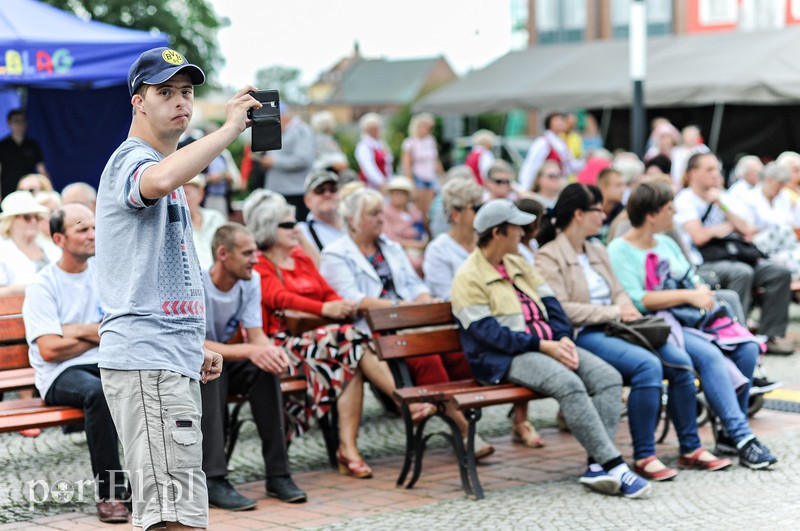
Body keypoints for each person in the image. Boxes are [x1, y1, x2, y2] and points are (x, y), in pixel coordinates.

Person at [95, 47, 246, 530]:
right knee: (172, 517)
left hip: (163, 354)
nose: (181, 102)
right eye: (165, 92)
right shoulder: (135, 161)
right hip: (147, 359)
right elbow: (156, 180)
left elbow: (151, 277)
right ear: (138, 101)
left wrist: (190, 342)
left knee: (175, 509)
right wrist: (227, 132)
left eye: (186, 92)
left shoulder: (168, 166)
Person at [450, 198, 651, 498]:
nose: (525, 233)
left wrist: (563, 337)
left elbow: (552, 304)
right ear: (497, 233)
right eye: (518, 228)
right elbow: (489, 335)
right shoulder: (468, 276)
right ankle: (616, 465)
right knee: (568, 384)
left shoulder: (517, 262)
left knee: (608, 377)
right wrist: (543, 345)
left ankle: (597, 466)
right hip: (503, 358)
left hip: (546, 345)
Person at [536, 184, 731, 482]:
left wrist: (624, 309)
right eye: (597, 210)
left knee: (679, 362)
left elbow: (620, 292)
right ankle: (644, 455)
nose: (604, 215)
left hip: (624, 326)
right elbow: (562, 309)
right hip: (586, 333)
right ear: (578, 214)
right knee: (647, 366)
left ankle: (690, 447)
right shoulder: (549, 256)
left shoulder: (597, 249)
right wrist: (615, 312)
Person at [244, 189, 435, 478]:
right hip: (281, 344)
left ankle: (348, 449)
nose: (295, 229)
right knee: (351, 340)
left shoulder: (301, 258)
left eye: (294, 222)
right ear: (268, 227)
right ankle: (402, 400)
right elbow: (280, 299)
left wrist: (336, 304)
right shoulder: (260, 264)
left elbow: (328, 291)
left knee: (351, 355)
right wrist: (326, 309)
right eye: (287, 224)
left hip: (324, 342)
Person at [608, 181, 778, 469]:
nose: (674, 212)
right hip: (660, 325)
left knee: (747, 347)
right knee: (710, 355)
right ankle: (742, 437)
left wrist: (698, 291)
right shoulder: (619, 250)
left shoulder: (666, 243)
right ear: (651, 214)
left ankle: (726, 435)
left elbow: (690, 276)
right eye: (669, 207)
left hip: (693, 319)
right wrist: (689, 294)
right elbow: (637, 300)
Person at [320, 187, 496, 458]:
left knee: (455, 353)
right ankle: (465, 431)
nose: (382, 218)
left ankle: (458, 413)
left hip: (409, 323)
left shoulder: (389, 247)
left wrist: (423, 304)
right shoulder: (335, 254)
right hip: (371, 333)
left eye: (381, 212)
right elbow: (353, 299)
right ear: (353, 220)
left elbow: (414, 284)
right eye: (374, 213)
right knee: (428, 359)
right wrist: (401, 308)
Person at [22, 204, 129, 523]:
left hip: (106, 362)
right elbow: (50, 350)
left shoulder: (106, 274)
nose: (92, 235)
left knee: (147, 382)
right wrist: (96, 331)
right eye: (82, 229)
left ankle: (155, 484)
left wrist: (76, 330)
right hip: (59, 375)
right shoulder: (43, 285)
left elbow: (123, 330)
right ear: (59, 239)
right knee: (98, 393)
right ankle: (111, 493)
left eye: (94, 228)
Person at [424, 181, 546, 448]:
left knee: (517, 327)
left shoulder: (503, 246)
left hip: (495, 329)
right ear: (456, 215)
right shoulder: (440, 249)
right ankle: (471, 430)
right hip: (459, 338)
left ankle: (521, 420)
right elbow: (448, 298)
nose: (483, 210)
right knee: (509, 334)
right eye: (476, 207)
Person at [200, 223, 306, 509]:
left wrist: (272, 353)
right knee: (212, 372)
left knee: (264, 369)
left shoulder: (251, 280)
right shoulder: (196, 283)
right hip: (194, 365)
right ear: (223, 254)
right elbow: (197, 345)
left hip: (226, 358)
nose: (256, 260)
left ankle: (278, 474)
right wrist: (252, 350)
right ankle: (213, 478)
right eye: (247, 253)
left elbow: (257, 335)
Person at [673, 152, 793, 355]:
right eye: (709, 169)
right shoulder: (685, 200)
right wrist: (726, 227)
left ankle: (769, 335)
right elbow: (699, 237)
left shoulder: (723, 197)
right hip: (703, 263)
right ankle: (737, 334)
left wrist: (722, 205)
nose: (715, 174)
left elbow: (747, 228)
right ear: (693, 174)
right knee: (742, 272)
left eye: (716, 169)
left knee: (778, 272)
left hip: (732, 255)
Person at [258, 104, 316, 220]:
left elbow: (303, 159)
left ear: (283, 116)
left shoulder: (301, 130)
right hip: (278, 192)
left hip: (294, 194)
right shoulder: (281, 131)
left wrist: (274, 162)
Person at [0, 191, 61, 297]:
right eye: (27, 217)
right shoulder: (3, 250)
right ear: (11, 220)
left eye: (37, 217)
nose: (33, 221)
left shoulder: (51, 248)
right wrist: (34, 287)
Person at [518, 112, 583, 192]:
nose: (560, 123)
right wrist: (526, 187)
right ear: (549, 123)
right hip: (546, 185)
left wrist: (585, 161)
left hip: (558, 184)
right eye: (557, 120)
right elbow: (532, 165)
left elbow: (570, 166)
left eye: (562, 120)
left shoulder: (562, 142)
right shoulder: (543, 142)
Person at [401, 113, 443, 221]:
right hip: (418, 179)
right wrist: (410, 183)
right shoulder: (410, 143)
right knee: (419, 211)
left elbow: (435, 160)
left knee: (429, 210)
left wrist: (442, 176)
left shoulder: (430, 141)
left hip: (430, 178)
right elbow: (406, 165)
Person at [382, 176, 427, 273]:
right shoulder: (385, 212)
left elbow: (422, 228)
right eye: (396, 193)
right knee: (416, 263)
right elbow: (391, 239)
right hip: (400, 250)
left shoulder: (413, 210)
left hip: (419, 246)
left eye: (402, 193)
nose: (399, 196)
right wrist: (415, 245)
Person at [0, 109, 48, 200]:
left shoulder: (32, 145)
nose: (19, 125)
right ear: (9, 124)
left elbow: (42, 170)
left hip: (29, 191)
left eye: (22, 121)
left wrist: (49, 191)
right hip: (8, 192)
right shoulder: (2, 146)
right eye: (16, 121)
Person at [183, 175, 226, 269]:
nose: (182, 199)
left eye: (186, 193)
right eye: (179, 194)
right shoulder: (173, 226)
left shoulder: (215, 218)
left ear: (201, 194)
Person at [355, 113, 393, 190]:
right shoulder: (363, 145)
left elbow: (388, 164)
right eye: (372, 128)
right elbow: (368, 167)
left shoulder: (381, 144)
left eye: (377, 128)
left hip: (386, 182)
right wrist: (381, 182)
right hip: (372, 186)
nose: (376, 130)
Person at [596, 168, 626, 243]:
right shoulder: (590, 211)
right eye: (618, 185)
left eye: (623, 185)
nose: (623, 190)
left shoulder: (624, 212)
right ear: (603, 188)